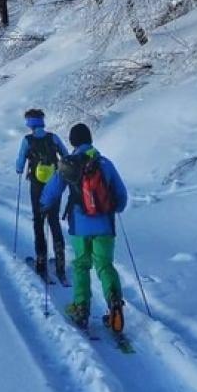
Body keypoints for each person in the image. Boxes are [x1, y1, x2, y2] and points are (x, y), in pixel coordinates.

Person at [39, 123, 128, 336]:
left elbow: (52, 191)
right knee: (105, 266)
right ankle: (114, 302)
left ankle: (81, 309)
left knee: (81, 266)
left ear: (72, 141)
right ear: (90, 140)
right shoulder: (105, 163)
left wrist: (43, 205)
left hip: (80, 226)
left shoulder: (69, 164)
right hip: (105, 226)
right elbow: (122, 196)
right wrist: (113, 208)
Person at [15, 108, 68, 282]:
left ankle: (41, 262)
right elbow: (66, 155)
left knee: (38, 221)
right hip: (54, 184)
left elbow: (20, 162)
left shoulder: (27, 140)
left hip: (37, 186)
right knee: (54, 221)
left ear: (30, 123)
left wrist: (20, 169)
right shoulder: (53, 138)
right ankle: (60, 264)